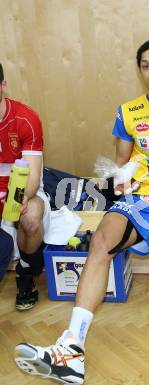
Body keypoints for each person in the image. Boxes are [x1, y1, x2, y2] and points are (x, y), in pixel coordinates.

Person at [14, 39, 149, 383]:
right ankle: (71, 346)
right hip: (142, 195)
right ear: (139, 70)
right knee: (101, 242)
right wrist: (119, 177)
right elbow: (120, 162)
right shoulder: (128, 111)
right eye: (145, 65)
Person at [0, 63, 50, 309]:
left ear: (3, 86)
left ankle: (26, 273)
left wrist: (18, 200)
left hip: (20, 191)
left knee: (30, 216)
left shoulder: (25, 118)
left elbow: (32, 177)